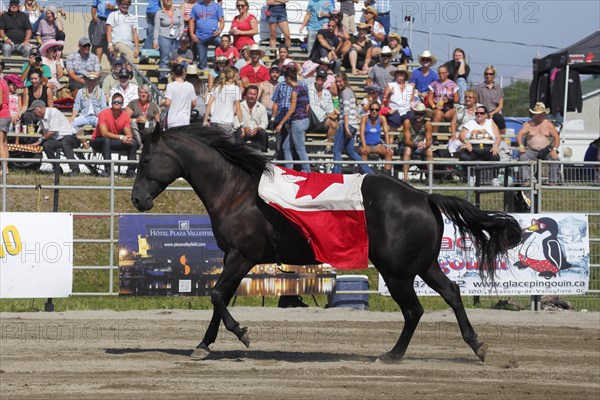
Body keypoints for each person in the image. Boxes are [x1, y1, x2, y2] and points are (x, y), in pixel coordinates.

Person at [332, 72, 373, 174]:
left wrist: (345, 127)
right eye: (336, 82)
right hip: (353, 125)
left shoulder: (345, 92)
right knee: (351, 152)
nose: (338, 84)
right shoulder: (350, 91)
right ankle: (369, 172)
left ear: (344, 81)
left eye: (340, 81)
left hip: (347, 124)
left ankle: (336, 174)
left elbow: (346, 111)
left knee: (336, 149)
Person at [90, 92, 137, 177]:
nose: (116, 103)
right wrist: (122, 137)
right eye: (114, 101)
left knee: (133, 143)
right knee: (106, 140)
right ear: (111, 103)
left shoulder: (125, 116)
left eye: (119, 102)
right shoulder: (103, 113)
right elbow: (104, 133)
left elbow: (128, 133)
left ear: (122, 104)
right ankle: (108, 171)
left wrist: (128, 138)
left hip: (112, 140)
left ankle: (131, 172)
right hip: (97, 140)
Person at [30, 100, 82, 175]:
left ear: (38, 109)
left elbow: (52, 131)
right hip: (57, 139)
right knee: (46, 145)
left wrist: (40, 140)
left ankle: (75, 168)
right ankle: (57, 168)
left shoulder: (53, 112)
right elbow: (47, 133)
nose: (33, 113)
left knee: (65, 143)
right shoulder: (41, 117)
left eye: (33, 111)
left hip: (69, 136)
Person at [275, 69, 311, 172]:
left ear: (287, 78)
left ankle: (308, 172)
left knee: (300, 149)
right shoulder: (302, 88)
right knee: (286, 146)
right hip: (304, 120)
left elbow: (291, 109)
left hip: (298, 121)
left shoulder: (294, 91)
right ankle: (289, 170)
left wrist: (280, 124)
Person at [516, 102, 561, 185]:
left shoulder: (548, 124)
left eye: (540, 114)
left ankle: (553, 181)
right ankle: (527, 180)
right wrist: (521, 146)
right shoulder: (528, 124)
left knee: (555, 159)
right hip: (531, 150)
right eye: (536, 114)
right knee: (523, 157)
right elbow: (519, 135)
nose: (538, 116)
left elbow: (557, 137)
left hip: (545, 150)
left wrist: (554, 149)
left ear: (544, 114)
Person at [203, 66, 243, 138]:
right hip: (226, 124)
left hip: (214, 122)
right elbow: (238, 109)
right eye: (238, 74)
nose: (239, 76)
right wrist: (241, 124)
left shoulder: (217, 87)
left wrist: (205, 120)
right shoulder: (236, 89)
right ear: (233, 75)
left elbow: (209, 104)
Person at [401, 103, 433, 182]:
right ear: (414, 114)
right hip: (408, 145)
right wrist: (416, 144)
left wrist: (424, 145)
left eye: (421, 114)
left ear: (424, 114)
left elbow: (429, 141)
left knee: (429, 152)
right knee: (408, 150)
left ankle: (430, 178)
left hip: (421, 145)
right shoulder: (407, 122)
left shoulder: (427, 124)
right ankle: (405, 177)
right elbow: (407, 141)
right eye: (416, 114)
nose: (418, 116)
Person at [153, 0, 184, 81]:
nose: (167, 1)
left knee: (175, 58)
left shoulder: (178, 11)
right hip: (164, 36)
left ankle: (176, 77)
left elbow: (181, 24)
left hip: (176, 37)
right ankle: (163, 78)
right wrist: (155, 40)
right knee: (165, 58)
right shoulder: (159, 13)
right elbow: (156, 27)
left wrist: (181, 32)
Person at [359, 101, 393, 173]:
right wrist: (364, 145)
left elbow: (386, 132)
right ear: (369, 110)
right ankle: (365, 174)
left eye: (376, 110)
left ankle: (386, 175)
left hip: (377, 145)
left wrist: (388, 146)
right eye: (372, 109)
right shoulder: (365, 118)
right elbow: (361, 133)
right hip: (367, 144)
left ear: (379, 111)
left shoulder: (382, 118)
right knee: (363, 151)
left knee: (389, 152)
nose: (374, 111)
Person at [189, 0, 224, 71]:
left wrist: (219, 30)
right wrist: (192, 34)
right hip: (200, 37)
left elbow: (222, 21)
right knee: (202, 64)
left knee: (220, 42)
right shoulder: (196, 6)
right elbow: (191, 21)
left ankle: (217, 63)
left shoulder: (217, 6)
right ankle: (204, 71)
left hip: (213, 36)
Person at [428, 65, 459, 139]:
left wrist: (449, 100)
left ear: (447, 73)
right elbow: (430, 99)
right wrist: (434, 106)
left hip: (448, 107)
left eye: (443, 73)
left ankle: (453, 136)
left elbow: (457, 98)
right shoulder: (434, 84)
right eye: (439, 73)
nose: (441, 74)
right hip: (438, 107)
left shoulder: (453, 84)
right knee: (438, 113)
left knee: (455, 112)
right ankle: (434, 136)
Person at [476, 65, 506, 139]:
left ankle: (502, 139)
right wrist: (483, 113)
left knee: (500, 118)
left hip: (494, 112)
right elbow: (476, 101)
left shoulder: (498, 88)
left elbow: (500, 105)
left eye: (490, 74)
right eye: (486, 73)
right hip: (482, 112)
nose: (488, 75)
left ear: (494, 75)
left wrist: (492, 113)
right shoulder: (479, 87)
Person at [235, 85, 268, 152]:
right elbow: (235, 121)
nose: (252, 96)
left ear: (257, 96)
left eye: (254, 94)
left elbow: (265, 123)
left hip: (256, 132)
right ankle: (238, 154)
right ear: (246, 94)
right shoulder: (240, 106)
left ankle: (264, 155)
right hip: (244, 131)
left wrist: (257, 128)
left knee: (263, 133)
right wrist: (243, 128)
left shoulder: (262, 107)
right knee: (239, 132)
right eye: (250, 94)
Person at [163, 64, 197, 128]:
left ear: (173, 73)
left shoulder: (170, 86)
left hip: (173, 121)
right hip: (185, 120)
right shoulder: (190, 86)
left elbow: (167, 103)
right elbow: (194, 103)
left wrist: (162, 103)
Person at [309, 70, 338, 142]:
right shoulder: (308, 89)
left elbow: (331, 110)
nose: (320, 79)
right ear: (316, 77)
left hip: (322, 119)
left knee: (334, 124)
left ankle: (328, 147)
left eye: (322, 77)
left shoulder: (327, 93)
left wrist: (336, 97)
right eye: (318, 77)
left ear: (325, 79)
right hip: (310, 119)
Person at [0, 75, 10, 175]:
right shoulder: (4, 82)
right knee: (4, 144)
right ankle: (6, 167)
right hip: (6, 114)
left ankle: (4, 168)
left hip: (1, 115)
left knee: (0, 145)